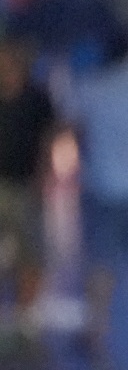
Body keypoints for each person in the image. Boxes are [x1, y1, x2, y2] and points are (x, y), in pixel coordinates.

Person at [69, 32, 128, 352]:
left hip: (104, 188)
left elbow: (78, 133)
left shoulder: (95, 90)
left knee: (101, 262)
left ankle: (96, 330)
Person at [0, 36, 54, 328]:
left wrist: (43, 176)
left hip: (24, 185)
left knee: (30, 252)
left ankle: (24, 314)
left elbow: (48, 139)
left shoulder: (37, 98)